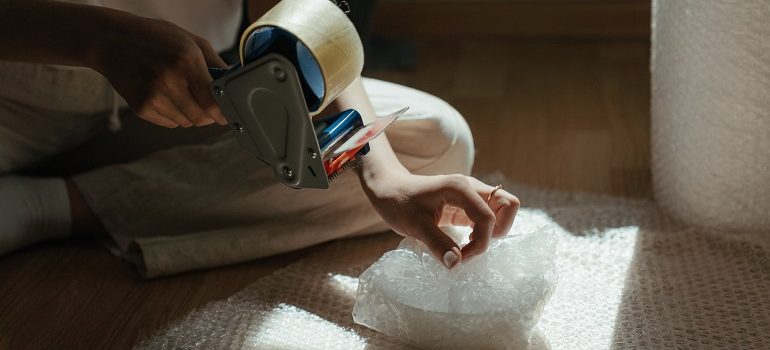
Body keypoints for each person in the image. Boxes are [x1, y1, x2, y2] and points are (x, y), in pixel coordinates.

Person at [0, 0, 520, 277]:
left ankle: (48, 204)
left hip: (180, 102)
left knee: (434, 141)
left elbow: (310, 28)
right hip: (15, 86)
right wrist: (97, 39)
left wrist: (384, 175)